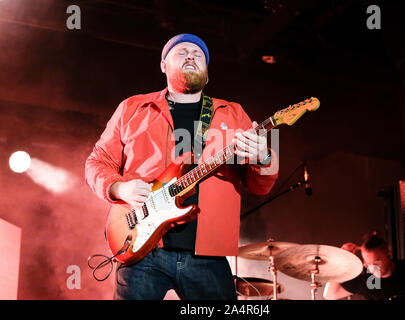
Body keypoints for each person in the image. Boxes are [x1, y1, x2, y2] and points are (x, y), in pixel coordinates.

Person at [85, 33, 279, 300]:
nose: (191, 55)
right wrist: (120, 188)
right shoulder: (133, 108)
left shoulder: (233, 114)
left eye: (198, 54)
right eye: (182, 51)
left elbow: (260, 186)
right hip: (141, 247)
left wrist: (263, 158)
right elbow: (97, 162)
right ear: (163, 65)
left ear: (207, 71)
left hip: (208, 255)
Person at [323, 225, 405, 300]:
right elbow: (330, 294)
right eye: (368, 264)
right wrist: (340, 258)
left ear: (388, 254)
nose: (373, 268)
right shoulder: (369, 281)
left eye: (377, 262)